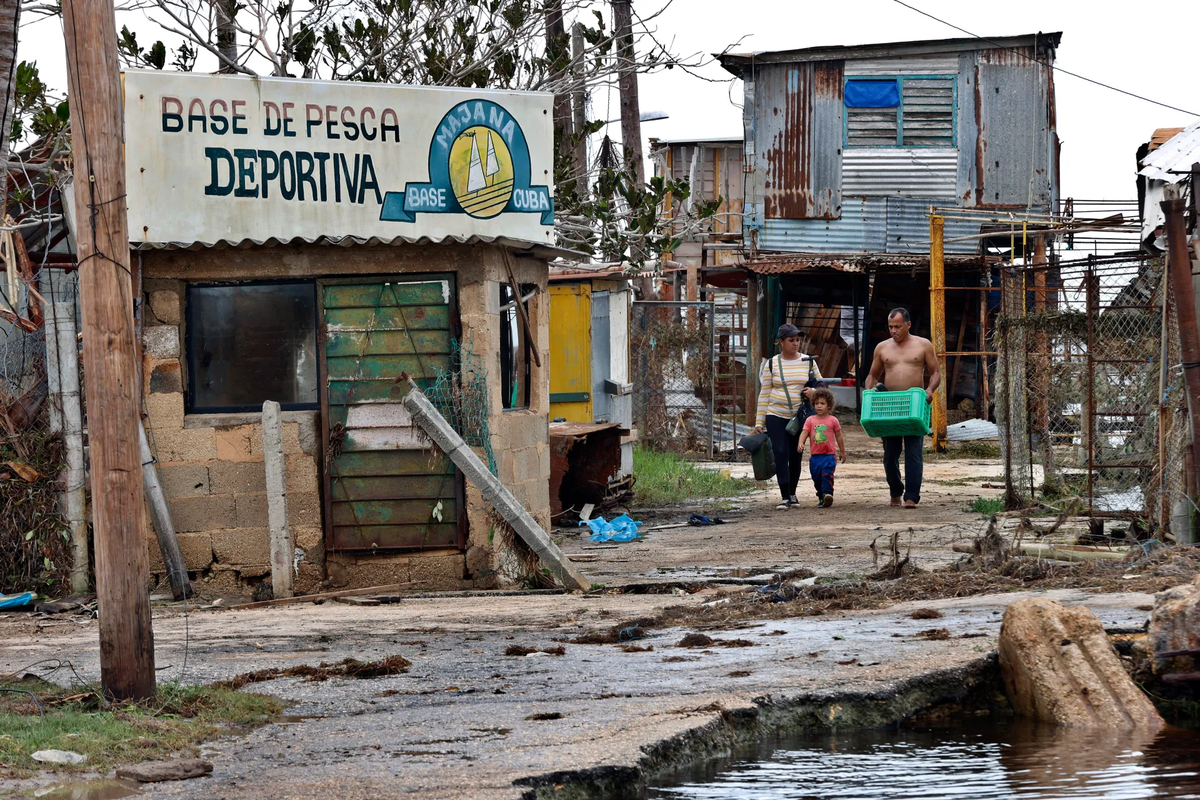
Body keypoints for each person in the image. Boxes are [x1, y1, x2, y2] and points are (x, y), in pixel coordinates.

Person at [865, 307, 941, 509]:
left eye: (897, 326)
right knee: (890, 454)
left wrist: (930, 389)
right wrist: (869, 392)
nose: (893, 331)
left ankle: (911, 496)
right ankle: (895, 490)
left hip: (914, 404)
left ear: (908, 324)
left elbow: (935, 373)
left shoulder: (923, 345)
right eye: (890, 327)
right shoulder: (882, 348)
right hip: (890, 405)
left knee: (913, 452)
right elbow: (872, 375)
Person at [753, 323, 824, 510]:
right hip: (775, 414)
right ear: (781, 342)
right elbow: (765, 393)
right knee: (780, 452)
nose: (795, 344)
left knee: (796, 454)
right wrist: (759, 421)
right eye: (791, 340)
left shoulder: (809, 361)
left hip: (800, 416)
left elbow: (823, 387)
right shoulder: (771, 364)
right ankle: (784, 495)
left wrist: (814, 392)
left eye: (797, 340)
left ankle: (793, 494)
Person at [797, 388, 846, 507]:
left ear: (829, 406)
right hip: (815, 457)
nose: (819, 406)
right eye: (817, 403)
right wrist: (801, 442)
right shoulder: (810, 420)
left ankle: (828, 494)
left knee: (826, 475)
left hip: (829, 455)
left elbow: (839, 437)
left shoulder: (833, 420)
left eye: (822, 403)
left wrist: (842, 452)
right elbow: (804, 432)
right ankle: (821, 496)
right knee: (816, 477)